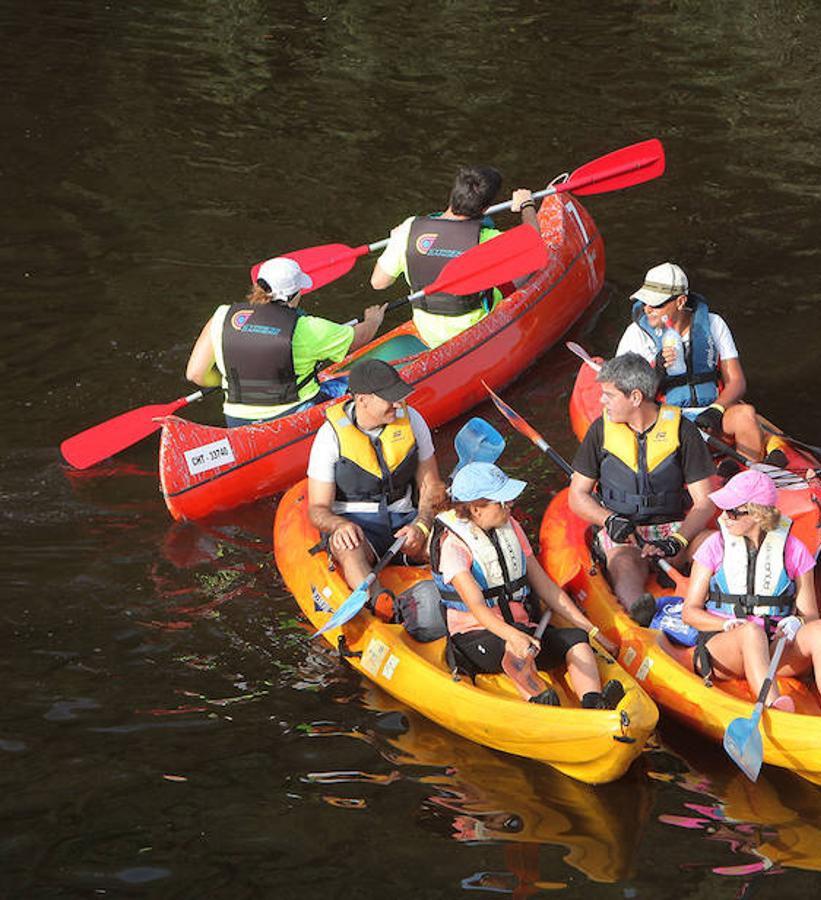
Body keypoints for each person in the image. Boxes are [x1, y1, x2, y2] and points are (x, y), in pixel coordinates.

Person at [431, 461, 623, 708]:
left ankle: (594, 702)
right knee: (509, 647)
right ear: (476, 509)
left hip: (522, 628)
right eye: (502, 502)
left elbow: (546, 587)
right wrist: (513, 636)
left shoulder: (510, 527)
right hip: (478, 636)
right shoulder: (453, 546)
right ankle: (538, 698)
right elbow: (478, 607)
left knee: (575, 638)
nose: (510, 506)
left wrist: (593, 632)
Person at [680, 470, 821, 717]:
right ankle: (773, 706)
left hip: (774, 648)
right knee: (750, 632)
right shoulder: (715, 546)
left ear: (758, 515)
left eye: (733, 511)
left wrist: (796, 622)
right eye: (724, 510)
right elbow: (689, 612)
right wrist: (724, 624)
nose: (724, 517)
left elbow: (809, 615)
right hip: (726, 649)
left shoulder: (794, 550)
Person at [569, 353, 718, 626]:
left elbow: (704, 503)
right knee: (623, 566)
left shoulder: (683, 430)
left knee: (713, 542)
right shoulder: (600, 431)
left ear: (635, 397)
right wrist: (608, 519)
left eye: (609, 395)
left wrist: (678, 541)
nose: (602, 401)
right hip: (625, 535)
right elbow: (577, 496)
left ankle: (717, 603)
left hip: (673, 530)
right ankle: (641, 613)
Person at [615, 262, 787, 464]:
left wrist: (716, 409)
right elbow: (624, 395)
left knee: (746, 414)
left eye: (657, 304)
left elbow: (737, 382)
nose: (647, 309)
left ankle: (745, 479)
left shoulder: (713, 324)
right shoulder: (636, 335)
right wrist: (658, 370)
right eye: (645, 302)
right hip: (664, 416)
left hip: (709, 412)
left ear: (680, 302)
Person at [186, 257, 387, 427]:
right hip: (295, 416)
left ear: (258, 286)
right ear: (295, 294)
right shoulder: (307, 328)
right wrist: (373, 320)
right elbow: (360, 337)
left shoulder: (222, 316)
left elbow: (195, 374)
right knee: (369, 381)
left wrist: (225, 382)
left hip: (237, 421)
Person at [306, 359, 445, 595]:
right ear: (362, 400)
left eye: (399, 395)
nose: (398, 403)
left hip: (406, 522)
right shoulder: (329, 437)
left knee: (450, 542)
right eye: (389, 398)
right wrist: (339, 525)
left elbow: (432, 486)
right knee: (349, 548)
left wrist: (421, 525)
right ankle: (379, 605)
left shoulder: (413, 420)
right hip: (359, 528)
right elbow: (318, 508)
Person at [370, 165, 540, 348]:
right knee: (526, 266)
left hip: (428, 332)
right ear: (485, 208)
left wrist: (397, 240)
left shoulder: (409, 228)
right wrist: (526, 205)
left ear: (453, 195)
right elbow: (534, 247)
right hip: (472, 332)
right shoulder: (487, 240)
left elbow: (378, 283)